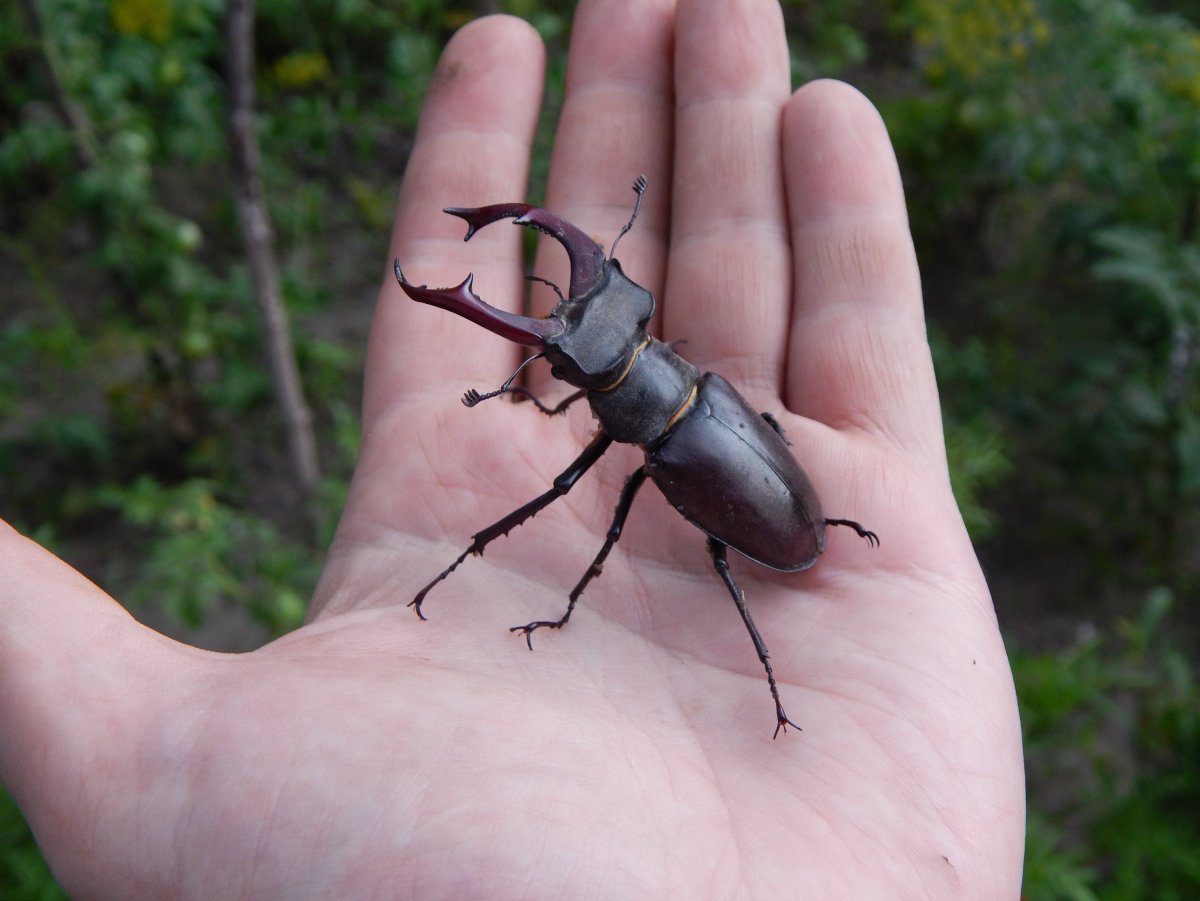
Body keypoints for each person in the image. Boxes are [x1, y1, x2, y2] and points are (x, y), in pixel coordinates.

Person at [0, 0, 1025, 896]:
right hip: (740, 458)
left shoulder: (668, 447)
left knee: (709, 553)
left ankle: (725, 651)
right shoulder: (704, 391)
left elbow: (626, 492)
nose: (580, 329)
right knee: (690, 493)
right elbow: (734, 425)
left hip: (775, 525)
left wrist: (580, 592)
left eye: (590, 345)